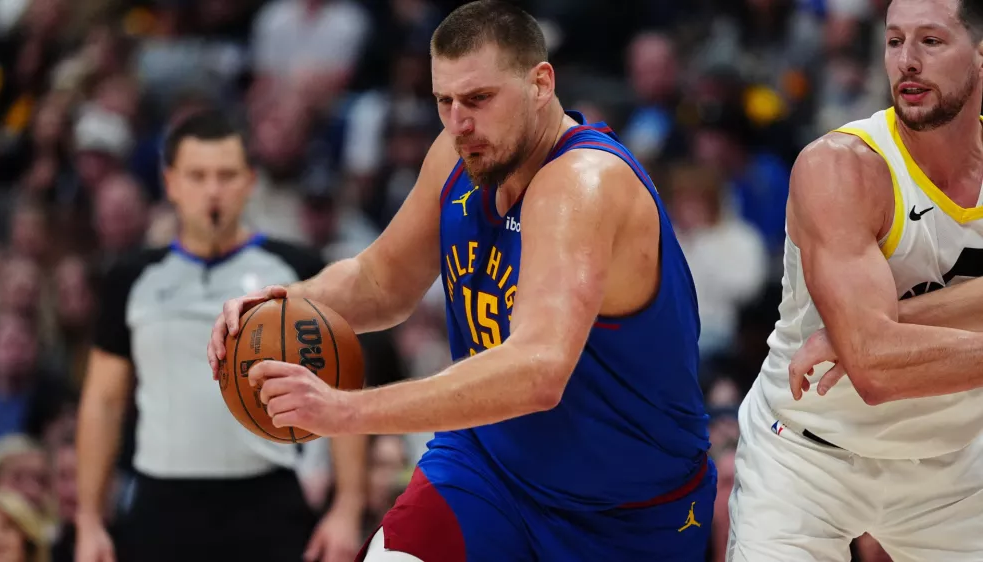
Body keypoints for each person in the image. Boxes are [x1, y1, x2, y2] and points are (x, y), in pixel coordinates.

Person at [207, 2, 715, 561]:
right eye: (444, 102)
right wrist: (281, 302)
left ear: (540, 83)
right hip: (488, 473)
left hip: (625, 512)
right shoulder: (458, 154)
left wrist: (345, 411)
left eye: (478, 99)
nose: (459, 122)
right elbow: (382, 282)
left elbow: (538, 371)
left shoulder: (585, 183)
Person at [727, 0, 983, 560]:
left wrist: (893, 323)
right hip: (809, 458)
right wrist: (866, 337)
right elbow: (873, 365)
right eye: (894, 41)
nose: (907, 62)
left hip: (954, 464)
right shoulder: (841, 166)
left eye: (932, 42)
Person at [74, 109, 367, 562]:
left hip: (268, 498)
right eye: (197, 175)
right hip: (160, 502)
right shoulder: (131, 277)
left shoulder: (299, 268)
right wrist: (89, 520)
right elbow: (103, 402)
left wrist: (347, 507)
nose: (213, 189)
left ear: (250, 181)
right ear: (170, 182)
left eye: (226, 175)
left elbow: (342, 386)